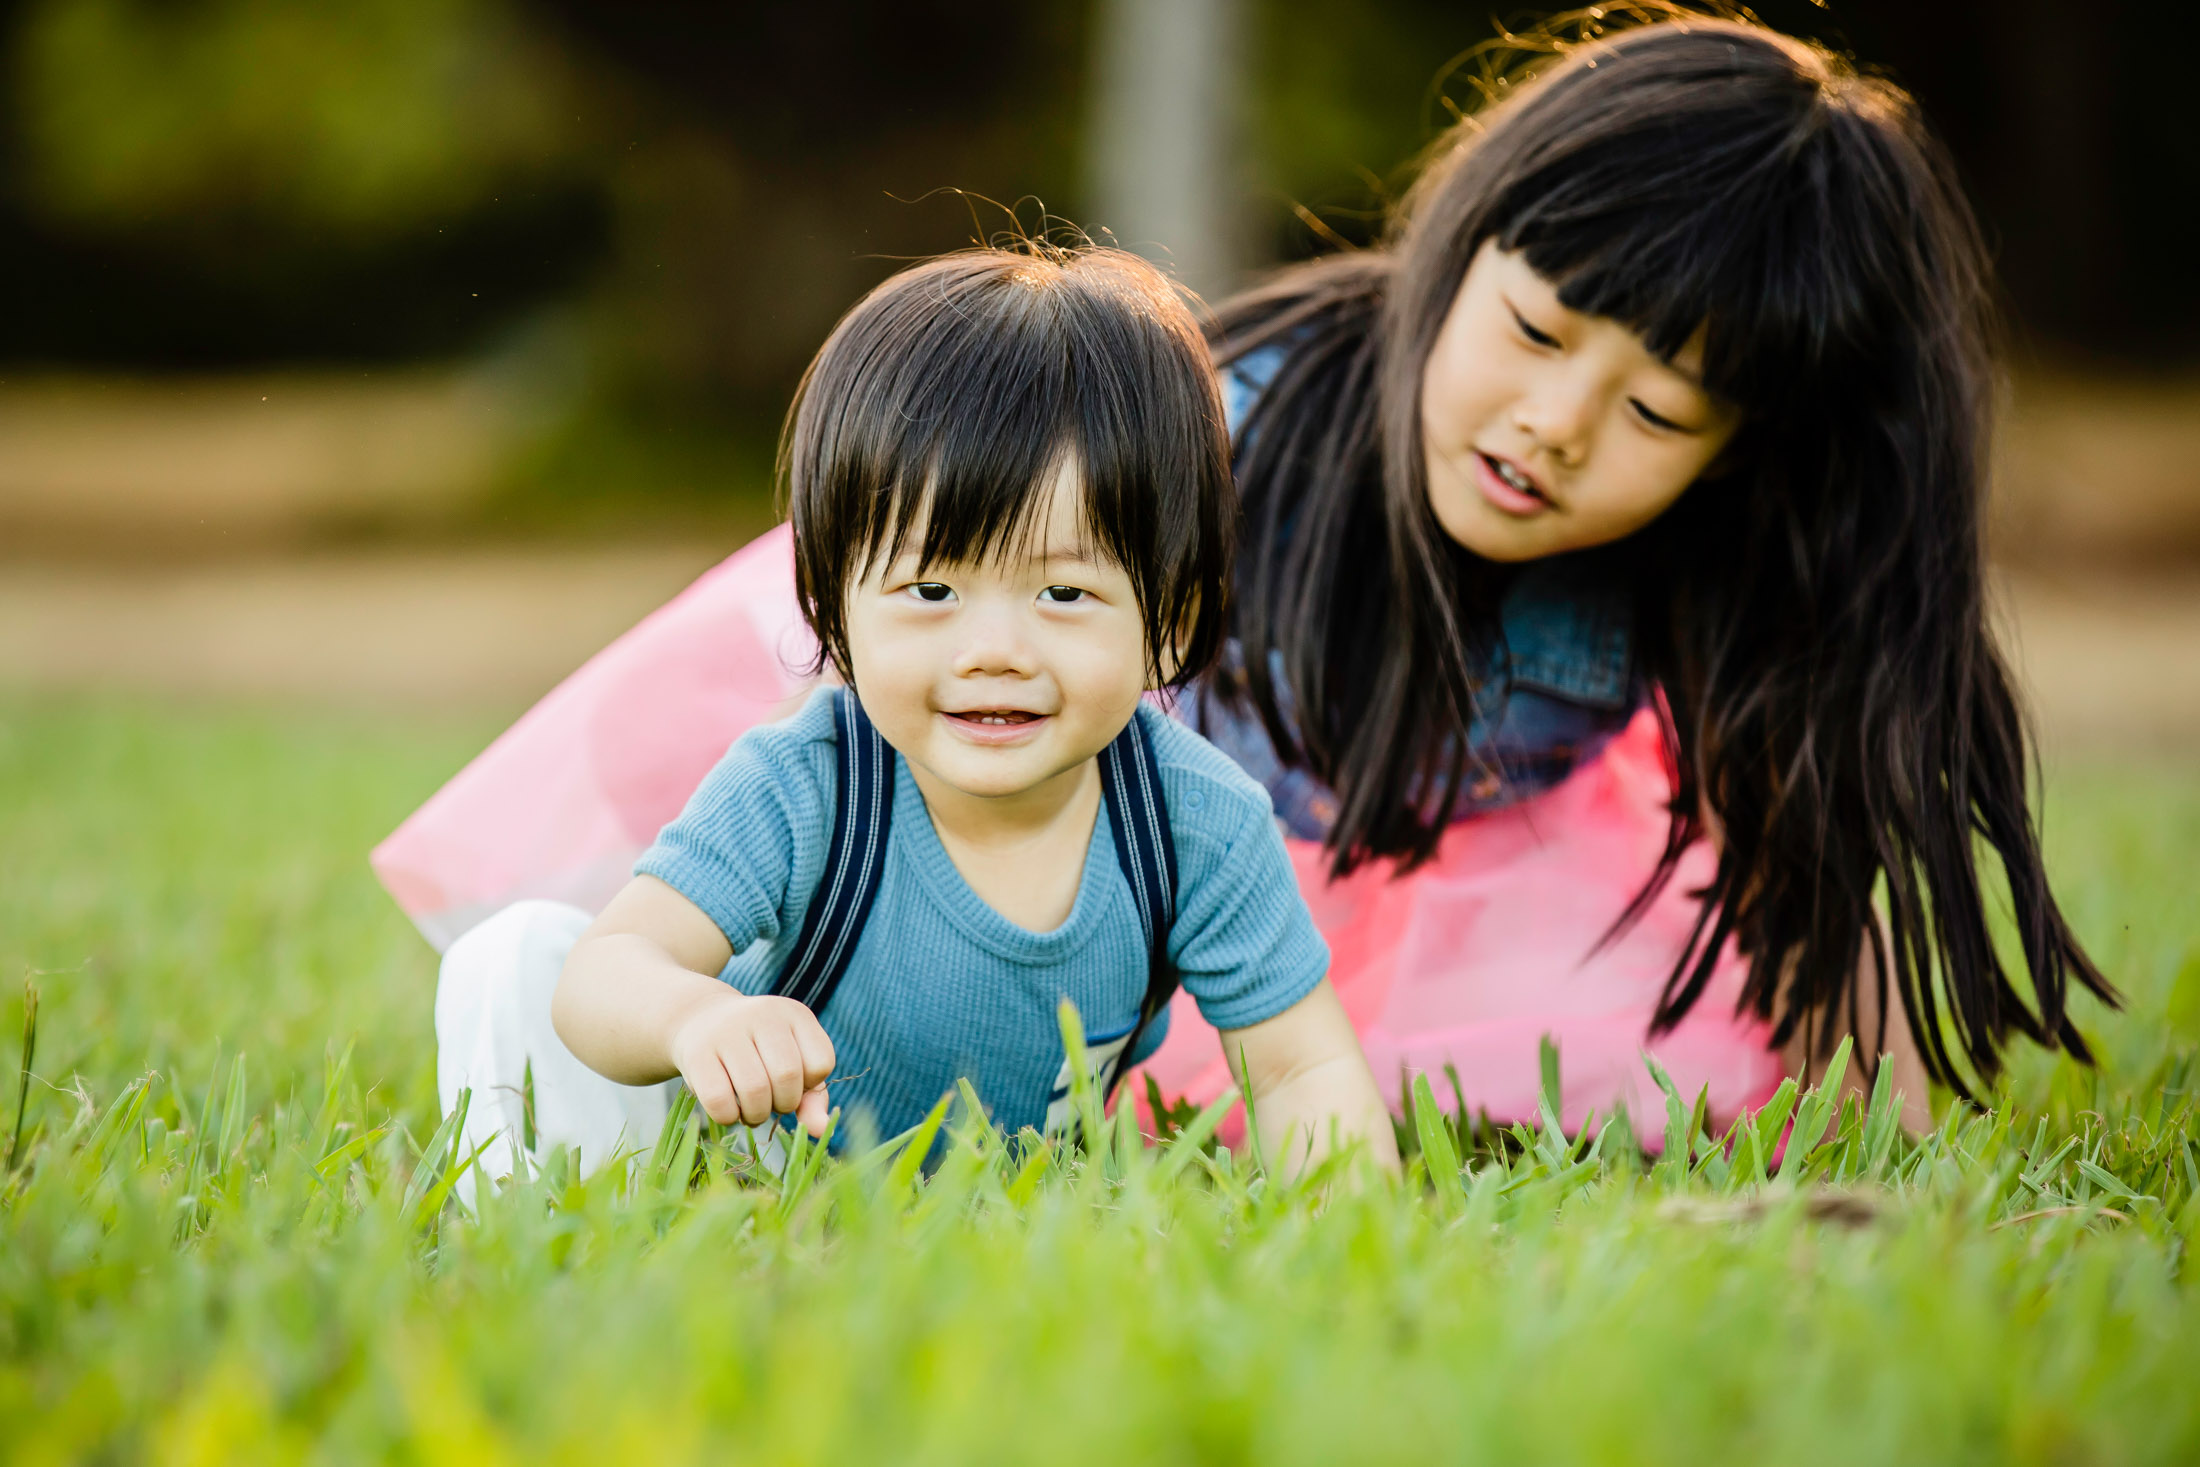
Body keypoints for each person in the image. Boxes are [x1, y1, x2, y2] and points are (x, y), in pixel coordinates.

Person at [1135, 13, 2112, 1133]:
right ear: (1461, 253)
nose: (1554, 426)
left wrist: (1895, 1138)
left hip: (1505, 883)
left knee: (1641, 1056)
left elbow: (1801, 869)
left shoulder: (1713, 548)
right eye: (1535, 333)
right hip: (1184, 874)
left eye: (1654, 411)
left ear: (1727, 455)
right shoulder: (1219, 432)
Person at [431, 245, 1398, 1188]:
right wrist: (695, 1018)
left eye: (1063, 593)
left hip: (998, 1206)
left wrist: (1356, 1243)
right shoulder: (813, 779)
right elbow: (611, 967)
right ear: (831, 606)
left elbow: (1299, 1067)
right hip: (744, 1157)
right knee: (516, 957)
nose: (994, 650)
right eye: (932, 588)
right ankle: (549, 1231)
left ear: (1170, 621)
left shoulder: (1191, 823)